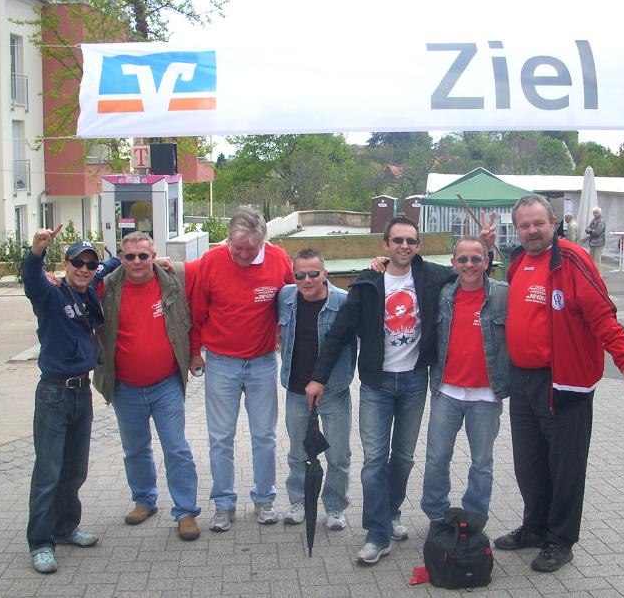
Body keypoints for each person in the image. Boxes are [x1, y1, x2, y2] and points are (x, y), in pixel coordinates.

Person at [306, 215, 494, 565]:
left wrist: (489, 247)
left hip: (414, 382)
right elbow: (339, 334)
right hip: (376, 385)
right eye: (397, 241)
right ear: (386, 244)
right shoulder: (367, 283)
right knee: (375, 460)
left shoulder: (433, 276)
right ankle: (376, 534)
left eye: (410, 241)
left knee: (404, 457)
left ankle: (390, 512)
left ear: (418, 245)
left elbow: (473, 274)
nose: (404, 246)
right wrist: (318, 377)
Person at [492, 195, 624, 573]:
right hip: (523, 380)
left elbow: (602, 314)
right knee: (529, 463)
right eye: (524, 225)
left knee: (565, 466)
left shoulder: (572, 259)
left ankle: (561, 540)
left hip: (563, 382)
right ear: (517, 229)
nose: (532, 231)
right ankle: (535, 526)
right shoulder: (518, 261)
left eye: (538, 223)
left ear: (553, 223)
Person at [93, 231, 202, 541]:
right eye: (130, 256)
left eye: (144, 255)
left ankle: (186, 511)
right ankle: (144, 500)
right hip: (125, 386)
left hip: (166, 384)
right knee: (135, 449)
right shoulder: (107, 287)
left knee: (176, 448)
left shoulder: (173, 280)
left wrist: (196, 353)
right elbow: (75, 286)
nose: (137, 261)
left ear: (154, 256)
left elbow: (200, 302)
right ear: (121, 259)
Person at [190, 207, 294, 531]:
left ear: (263, 241)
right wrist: (194, 353)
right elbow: (196, 312)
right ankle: (224, 504)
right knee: (221, 437)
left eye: (251, 249)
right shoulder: (211, 262)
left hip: (263, 362)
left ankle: (265, 499)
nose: (244, 255)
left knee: (265, 436)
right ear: (228, 241)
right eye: (238, 249)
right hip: (221, 363)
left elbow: (295, 299)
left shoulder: (279, 260)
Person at [22, 230, 116, 574]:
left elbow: (109, 265)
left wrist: (147, 258)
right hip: (54, 393)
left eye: (90, 264)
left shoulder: (88, 289)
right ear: (66, 263)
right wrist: (36, 251)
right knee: (48, 472)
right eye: (78, 262)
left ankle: (65, 527)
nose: (85, 268)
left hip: (82, 392)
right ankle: (40, 543)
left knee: (75, 469)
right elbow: (31, 279)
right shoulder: (51, 293)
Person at [420, 237, 509, 523]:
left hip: (486, 396)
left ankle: (474, 519)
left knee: (481, 463)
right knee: (436, 458)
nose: (469, 265)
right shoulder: (443, 294)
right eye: (463, 259)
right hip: (446, 392)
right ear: (453, 263)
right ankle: (437, 516)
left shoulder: (503, 295)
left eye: (476, 259)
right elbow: (413, 270)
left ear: (487, 262)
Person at [277, 249, 357, 531]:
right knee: (298, 453)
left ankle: (335, 507)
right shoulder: (285, 297)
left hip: (334, 392)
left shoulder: (343, 302)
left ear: (325, 273)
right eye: (300, 275)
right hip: (297, 391)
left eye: (313, 273)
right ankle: (298, 501)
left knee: (338, 456)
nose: (307, 280)